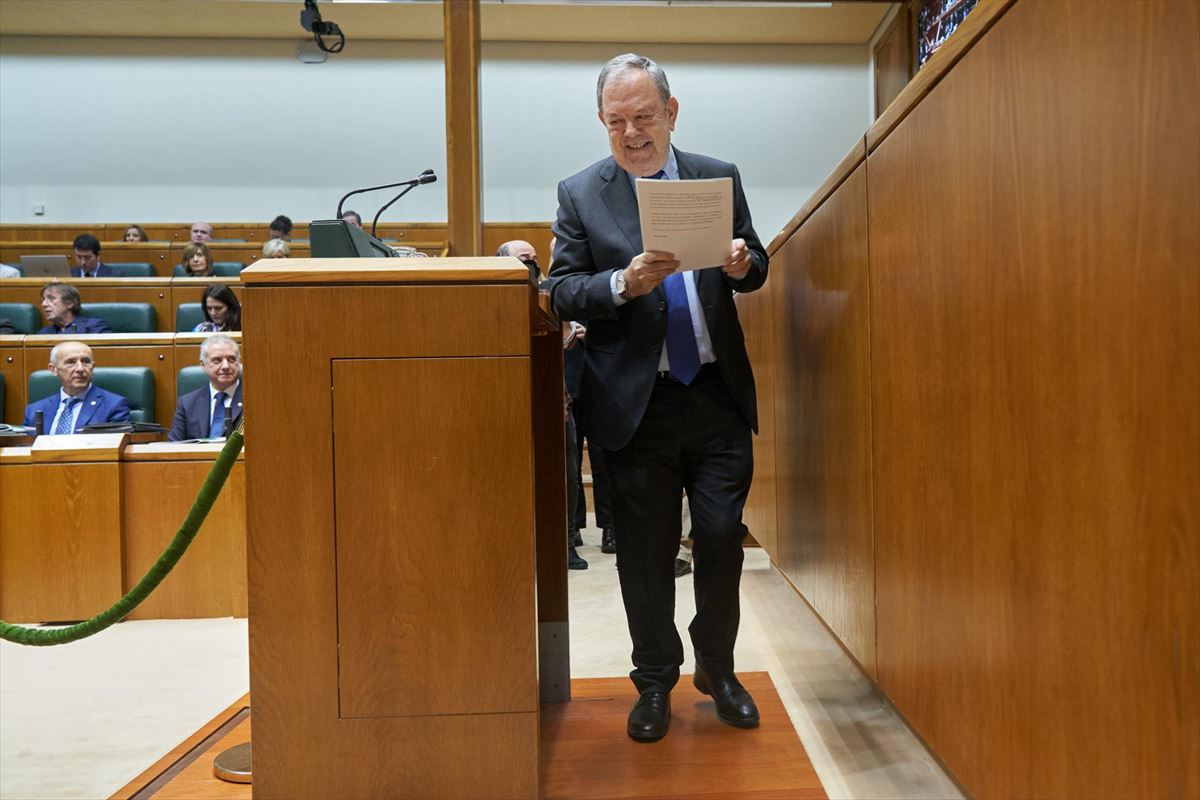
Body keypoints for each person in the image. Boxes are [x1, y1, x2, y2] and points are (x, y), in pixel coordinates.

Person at [544, 53, 768, 743]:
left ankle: (719, 668)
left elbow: (757, 262)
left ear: (671, 112)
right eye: (617, 121)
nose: (632, 132)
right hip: (636, 404)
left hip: (715, 395)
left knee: (724, 539)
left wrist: (740, 264)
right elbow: (559, 291)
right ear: (602, 122)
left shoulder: (716, 175)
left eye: (644, 117)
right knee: (644, 554)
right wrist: (621, 284)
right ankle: (653, 681)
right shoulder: (582, 193)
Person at [23, 341, 131, 434]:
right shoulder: (34, 410)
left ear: (92, 368)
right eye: (70, 362)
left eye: (85, 362)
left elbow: (113, 448)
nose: (80, 368)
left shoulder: (114, 406)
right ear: (53, 369)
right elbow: (24, 448)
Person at [169, 334, 243, 441]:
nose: (226, 366)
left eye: (231, 359)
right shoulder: (187, 403)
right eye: (217, 360)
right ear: (203, 365)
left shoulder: (254, 399)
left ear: (239, 362)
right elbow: (174, 447)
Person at [37, 282, 111, 334]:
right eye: (43, 300)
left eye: (51, 298)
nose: (43, 304)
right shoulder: (44, 332)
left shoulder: (93, 327)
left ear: (69, 303)